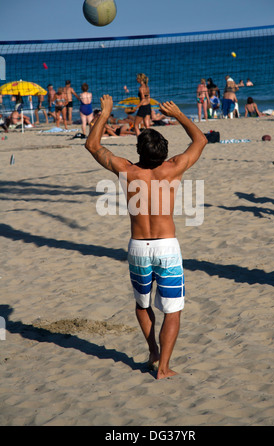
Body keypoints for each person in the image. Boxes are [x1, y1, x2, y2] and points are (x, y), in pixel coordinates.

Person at [85, 95, 208, 380]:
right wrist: (178, 114)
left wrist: (104, 114)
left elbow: (92, 145)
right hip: (167, 247)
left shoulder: (128, 171)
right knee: (172, 311)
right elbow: (200, 140)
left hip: (138, 247)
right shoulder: (173, 168)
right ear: (164, 153)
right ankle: (162, 367)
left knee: (143, 304)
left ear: (139, 150)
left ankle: (152, 350)